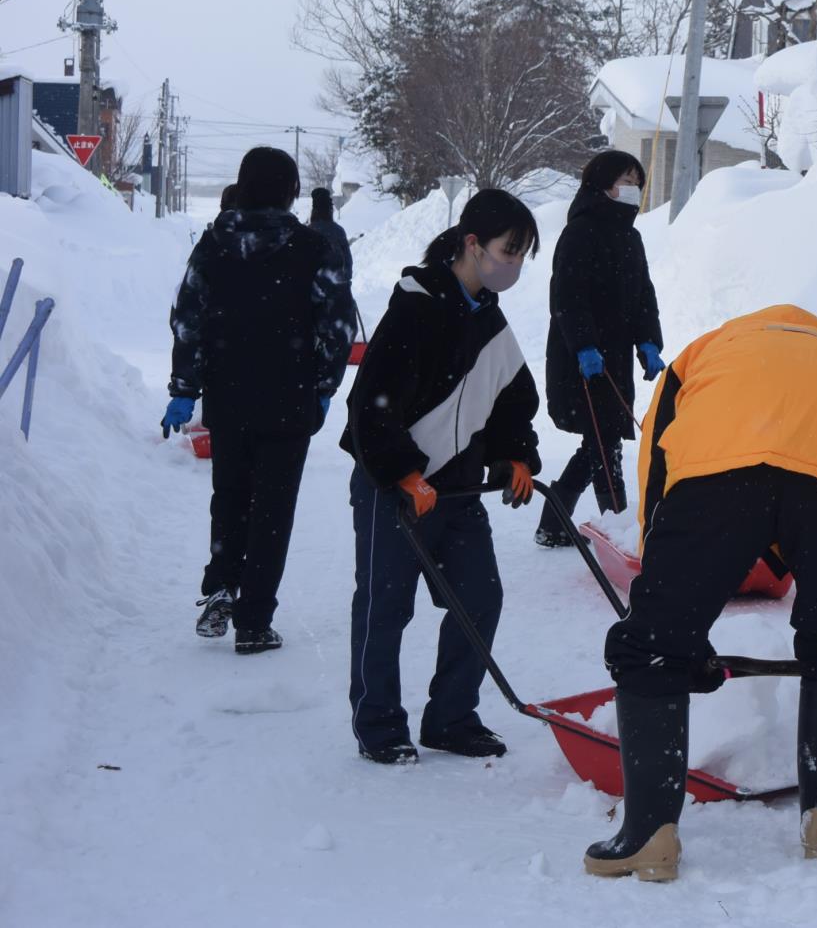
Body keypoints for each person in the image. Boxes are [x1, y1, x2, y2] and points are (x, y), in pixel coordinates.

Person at [583, 304, 817, 882]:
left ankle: (646, 837)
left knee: (652, 646)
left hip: (719, 468)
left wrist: (669, 617)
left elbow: (655, 472)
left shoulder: (702, 356)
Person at [341, 189, 543, 765]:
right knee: (385, 606)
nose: (514, 265)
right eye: (508, 251)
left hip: (456, 489)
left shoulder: (489, 320)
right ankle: (379, 724)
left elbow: (512, 398)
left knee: (480, 597)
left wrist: (515, 456)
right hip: (393, 490)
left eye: (522, 255)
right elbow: (369, 406)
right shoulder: (416, 308)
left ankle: (451, 718)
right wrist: (402, 472)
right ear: (473, 244)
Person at [164, 147, 356, 654]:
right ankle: (253, 621)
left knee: (229, 495)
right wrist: (324, 387)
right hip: (289, 398)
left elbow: (188, 318)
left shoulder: (213, 244)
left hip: (227, 396)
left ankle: (221, 585)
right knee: (273, 508)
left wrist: (184, 388)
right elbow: (337, 325)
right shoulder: (313, 248)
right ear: (291, 192)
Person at [535, 150, 664, 547]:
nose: (633, 188)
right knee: (604, 446)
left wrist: (648, 341)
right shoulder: (580, 231)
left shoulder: (630, 237)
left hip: (615, 357)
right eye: (626, 180)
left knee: (600, 443)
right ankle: (621, 530)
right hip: (581, 359)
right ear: (602, 184)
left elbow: (643, 295)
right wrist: (585, 346)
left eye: (637, 182)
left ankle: (554, 523)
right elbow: (567, 297)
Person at [308, 186, 353, 284]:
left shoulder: (306, 231)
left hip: (312, 287)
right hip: (337, 285)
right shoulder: (338, 231)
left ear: (313, 210)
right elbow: (348, 263)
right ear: (330, 210)